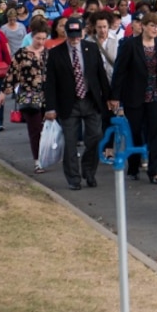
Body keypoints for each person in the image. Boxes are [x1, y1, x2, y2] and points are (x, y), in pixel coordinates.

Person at [44, 17, 112, 190]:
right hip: (69, 103)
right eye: (71, 35)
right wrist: (50, 107)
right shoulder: (55, 53)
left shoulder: (91, 49)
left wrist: (109, 97)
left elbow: (101, 75)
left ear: (83, 32)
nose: (75, 39)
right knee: (70, 141)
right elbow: (50, 82)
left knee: (95, 136)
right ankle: (73, 178)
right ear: (66, 33)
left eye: (77, 35)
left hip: (90, 100)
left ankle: (89, 171)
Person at [109, 12, 157, 183]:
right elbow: (120, 71)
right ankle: (133, 165)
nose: (155, 29)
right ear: (143, 26)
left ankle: (154, 171)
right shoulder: (130, 45)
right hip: (135, 95)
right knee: (135, 133)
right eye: (152, 25)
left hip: (155, 95)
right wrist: (115, 96)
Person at [0, 18, 50, 173]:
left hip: (47, 96)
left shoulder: (49, 54)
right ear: (31, 37)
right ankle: (38, 160)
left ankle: (48, 155)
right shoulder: (22, 54)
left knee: (48, 129)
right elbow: (12, 74)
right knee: (35, 130)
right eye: (38, 38)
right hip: (29, 96)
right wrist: (3, 93)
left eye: (43, 38)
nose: (41, 42)